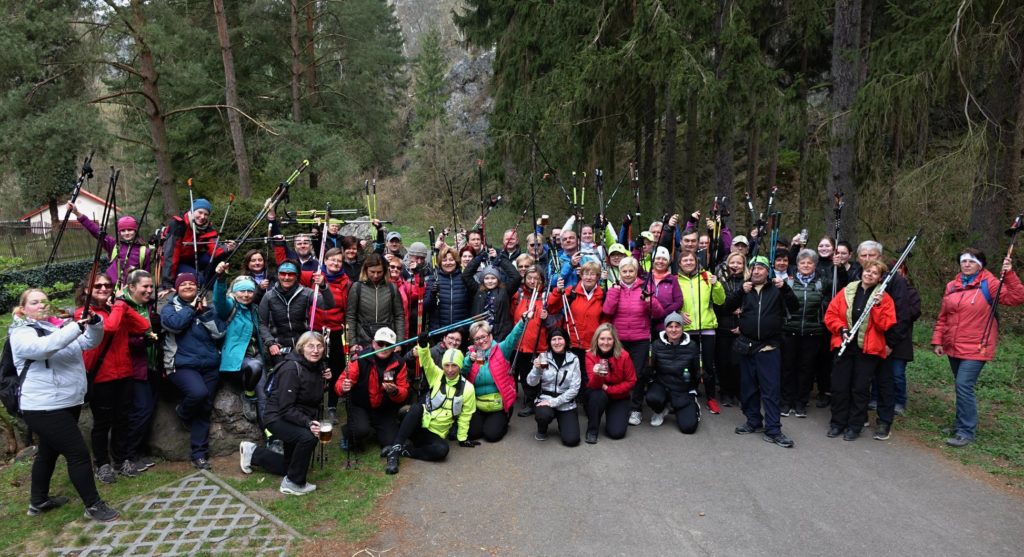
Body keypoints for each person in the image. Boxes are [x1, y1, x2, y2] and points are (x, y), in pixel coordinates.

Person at [10, 288, 119, 521]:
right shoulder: (21, 332)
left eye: (44, 301)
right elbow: (43, 348)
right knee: (78, 453)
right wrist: (74, 327)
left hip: (67, 400)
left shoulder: (57, 326)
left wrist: (95, 323)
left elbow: (89, 342)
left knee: (48, 452)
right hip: (42, 406)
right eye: (34, 302)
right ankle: (93, 505)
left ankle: (38, 501)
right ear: (23, 309)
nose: (41, 305)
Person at [932, 249, 1024, 447]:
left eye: (971, 261)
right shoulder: (952, 286)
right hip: (953, 345)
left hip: (977, 346)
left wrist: (1009, 274)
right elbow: (943, 317)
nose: (966, 264)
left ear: (980, 264)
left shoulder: (989, 284)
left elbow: (1017, 297)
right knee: (960, 385)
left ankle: (966, 431)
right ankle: (959, 425)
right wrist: (938, 340)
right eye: (963, 261)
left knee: (964, 385)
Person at [74, 274, 149, 484]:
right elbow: (109, 328)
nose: (103, 288)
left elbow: (143, 325)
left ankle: (121, 459)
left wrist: (122, 306)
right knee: (102, 423)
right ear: (87, 290)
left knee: (122, 419)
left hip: (124, 373)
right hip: (101, 376)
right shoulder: (84, 312)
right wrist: (118, 305)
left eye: (107, 285)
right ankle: (102, 464)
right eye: (97, 285)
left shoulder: (117, 309)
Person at [239, 331, 332, 495]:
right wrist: (308, 423)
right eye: (310, 346)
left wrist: (324, 382)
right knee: (308, 437)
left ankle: (252, 453)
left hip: (295, 415)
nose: (315, 350)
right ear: (301, 348)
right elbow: (286, 408)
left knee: (290, 465)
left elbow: (310, 395)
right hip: (277, 417)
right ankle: (293, 483)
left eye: (319, 346)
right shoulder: (291, 368)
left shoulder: (316, 367)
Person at [721, 255, 798, 448]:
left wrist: (786, 288)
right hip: (747, 346)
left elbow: (794, 306)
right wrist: (739, 291)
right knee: (748, 389)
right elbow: (726, 307)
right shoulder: (745, 290)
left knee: (770, 390)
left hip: (769, 347)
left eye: (761, 268)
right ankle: (753, 421)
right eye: (754, 268)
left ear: (767, 271)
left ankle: (773, 429)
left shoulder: (777, 289)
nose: (756, 271)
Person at [382, 332, 478, 475]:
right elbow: (426, 361)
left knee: (442, 450)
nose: (450, 370)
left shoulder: (468, 389)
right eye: (447, 365)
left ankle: (405, 451)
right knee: (415, 408)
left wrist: (462, 438)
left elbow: (465, 415)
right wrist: (423, 345)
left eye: (454, 366)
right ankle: (394, 453)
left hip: (434, 434)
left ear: (460, 366)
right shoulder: (437, 375)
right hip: (419, 423)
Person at [824, 260, 897, 441]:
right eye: (868, 271)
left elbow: (885, 325)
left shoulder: (884, 298)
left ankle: (854, 426)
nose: (869, 274)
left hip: (867, 350)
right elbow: (831, 315)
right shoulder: (847, 290)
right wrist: (841, 329)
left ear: (880, 278)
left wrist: (878, 306)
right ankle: (837, 423)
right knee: (840, 386)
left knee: (860, 389)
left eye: (875, 273)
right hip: (845, 345)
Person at [161, 272, 226, 470]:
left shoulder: (207, 309)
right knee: (198, 393)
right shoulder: (169, 309)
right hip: (181, 365)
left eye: (192, 283)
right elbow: (176, 325)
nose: (188, 286)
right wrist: (191, 309)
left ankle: (199, 454)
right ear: (177, 288)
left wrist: (204, 313)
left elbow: (220, 332)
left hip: (209, 364)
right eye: (184, 284)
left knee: (205, 408)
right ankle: (183, 412)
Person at [603, 256, 666, 426]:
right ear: (620, 272)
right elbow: (607, 310)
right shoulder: (615, 288)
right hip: (620, 338)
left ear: (636, 271)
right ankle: (617, 403)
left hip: (640, 339)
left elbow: (658, 313)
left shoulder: (645, 287)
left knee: (637, 374)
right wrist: (615, 292)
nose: (628, 274)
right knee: (617, 371)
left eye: (631, 270)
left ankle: (635, 408)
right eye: (624, 271)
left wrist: (648, 301)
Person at [336, 327, 409, 452]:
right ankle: (350, 432)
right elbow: (340, 383)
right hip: (360, 405)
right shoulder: (359, 358)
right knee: (360, 431)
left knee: (390, 442)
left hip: (384, 408)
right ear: (374, 343)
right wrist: (343, 387)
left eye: (388, 345)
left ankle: (377, 427)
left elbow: (404, 392)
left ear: (393, 347)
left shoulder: (400, 363)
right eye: (380, 343)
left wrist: (395, 391)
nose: (383, 347)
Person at [780, 249, 831, 418]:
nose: (806, 265)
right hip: (790, 331)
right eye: (802, 263)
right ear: (798, 265)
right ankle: (787, 402)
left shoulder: (822, 283)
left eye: (809, 263)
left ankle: (801, 402)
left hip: (812, 332)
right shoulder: (788, 282)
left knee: (806, 368)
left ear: (815, 265)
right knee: (788, 368)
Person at [212, 263, 265, 422]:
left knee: (264, 395)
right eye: (242, 291)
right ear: (234, 292)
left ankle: (272, 438)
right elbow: (218, 299)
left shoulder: (253, 309)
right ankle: (248, 395)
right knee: (256, 367)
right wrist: (221, 278)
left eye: (250, 291)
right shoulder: (229, 306)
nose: (246, 295)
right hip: (238, 361)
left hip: (256, 356)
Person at [120, 270, 159, 476]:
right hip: (133, 369)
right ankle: (127, 455)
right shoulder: (122, 307)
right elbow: (120, 339)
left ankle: (137, 452)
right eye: (145, 286)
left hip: (150, 365)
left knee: (147, 410)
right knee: (140, 410)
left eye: (151, 286)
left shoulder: (148, 306)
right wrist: (141, 341)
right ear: (131, 287)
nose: (149, 290)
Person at [677, 250, 726, 414]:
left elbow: (720, 301)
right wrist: (678, 313)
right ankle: (689, 393)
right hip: (687, 329)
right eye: (685, 260)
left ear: (696, 262)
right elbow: (673, 301)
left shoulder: (706, 277)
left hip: (707, 328)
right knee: (688, 365)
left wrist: (716, 284)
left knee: (708, 366)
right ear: (679, 264)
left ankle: (711, 398)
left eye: (691, 260)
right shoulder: (676, 280)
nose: (688, 263)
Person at [258, 260, 334, 366]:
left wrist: (323, 286)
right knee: (284, 375)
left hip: (302, 344)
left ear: (296, 276)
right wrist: (270, 343)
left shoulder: (306, 293)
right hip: (279, 346)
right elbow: (261, 323)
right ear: (278, 275)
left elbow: (328, 305)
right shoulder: (269, 296)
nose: (286, 277)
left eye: (291, 274)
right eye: (283, 274)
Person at [463, 317, 526, 442]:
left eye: (483, 336)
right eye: (477, 338)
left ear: (490, 335)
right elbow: (462, 372)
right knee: (473, 433)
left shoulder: (501, 349)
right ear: (473, 341)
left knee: (491, 435)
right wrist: (469, 360)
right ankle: (486, 420)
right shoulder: (471, 354)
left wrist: (523, 321)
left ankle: (504, 418)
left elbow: (513, 337)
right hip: (478, 404)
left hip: (498, 404)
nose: (481, 341)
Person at [69, 203, 154, 288]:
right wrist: (77, 213)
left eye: (130, 230)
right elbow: (95, 231)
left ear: (135, 231)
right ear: (119, 232)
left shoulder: (144, 251)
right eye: (123, 230)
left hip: (131, 291)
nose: (127, 233)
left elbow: (146, 275)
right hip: (111, 288)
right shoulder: (113, 244)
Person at [160, 197, 233, 292]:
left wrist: (227, 248)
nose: (202, 217)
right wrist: (167, 283)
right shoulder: (178, 225)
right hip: (177, 262)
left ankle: (210, 284)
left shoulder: (207, 227)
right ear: (192, 211)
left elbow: (215, 249)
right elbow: (171, 255)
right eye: (200, 212)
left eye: (206, 214)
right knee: (199, 281)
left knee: (216, 256)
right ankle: (191, 280)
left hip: (193, 258)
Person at [582, 323, 637, 443]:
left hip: (619, 396)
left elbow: (631, 381)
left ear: (614, 340)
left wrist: (609, 389)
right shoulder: (590, 355)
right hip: (599, 394)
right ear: (596, 339)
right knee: (596, 396)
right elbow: (592, 385)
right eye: (602, 338)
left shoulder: (624, 355)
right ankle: (592, 430)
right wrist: (597, 375)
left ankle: (619, 413)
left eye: (609, 339)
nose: (605, 342)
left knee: (616, 433)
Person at [646, 313, 701, 433]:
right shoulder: (656, 345)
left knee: (688, 428)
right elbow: (651, 369)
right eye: (670, 326)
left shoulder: (692, 346)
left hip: (682, 388)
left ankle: (690, 405)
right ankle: (660, 410)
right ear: (665, 328)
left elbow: (697, 370)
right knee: (652, 397)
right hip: (663, 385)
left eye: (677, 326)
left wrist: (696, 383)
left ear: (682, 328)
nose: (674, 330)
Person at [527, 328, 581, 446]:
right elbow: (531, 382)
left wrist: (553, 402)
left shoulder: (574, 359)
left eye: (560, 339)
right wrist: (536, 369)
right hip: (545, 399)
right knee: (543, 414)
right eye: (553, 339)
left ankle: (564, 422)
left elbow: (575, 388)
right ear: (549, 342)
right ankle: (542, 428)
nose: (557, 342)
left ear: (565, 340)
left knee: (572, 440)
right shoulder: (543, 357)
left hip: (565, 402)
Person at [346, 254, 405, 352]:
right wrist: (352, 343)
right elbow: (351, 316)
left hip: (387, 340)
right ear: (365, 270)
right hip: (363, 341)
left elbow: (399, 315)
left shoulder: (392, 288)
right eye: (372, 272)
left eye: (379, 272)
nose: (376, 275)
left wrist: (399, 343)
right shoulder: (357, 287)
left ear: (385, 271)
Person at [511, 265, 549, 417]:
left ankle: (534, 401)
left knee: (536, 374)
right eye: (529, 278)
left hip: (538, 344)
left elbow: (556, 319)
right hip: (520, 343)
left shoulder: (546, 296)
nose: (532, 281)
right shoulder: (518, 295)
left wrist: (547, 318)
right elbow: (512, 315)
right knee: (524, 374)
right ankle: (528, 400)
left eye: (536, 279)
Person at [714, 252, 747, 408]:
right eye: (732, 262)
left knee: (738, 363)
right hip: (724, 325)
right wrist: (731, 308)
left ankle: (739, 392)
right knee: (723, 362)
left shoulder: (748, 282)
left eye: (739, 263)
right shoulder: (721, 281)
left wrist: (743, 319)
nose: (735, 266)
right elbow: (718, 304)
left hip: (742, 328)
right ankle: (725, 392)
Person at [465, 248, 520, 341]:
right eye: (486, 278)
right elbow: (466, 275)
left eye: (493, 278)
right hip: (480, 334)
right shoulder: (477, 290)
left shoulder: (505, 290)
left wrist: (500, 260)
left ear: (498, 279)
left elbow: (516, 276)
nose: (490, 281)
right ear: (482, 280)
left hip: (500, 335)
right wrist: (478, 258)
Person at [424, 246, 473, 331]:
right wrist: (432, 294)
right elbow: (426, 307)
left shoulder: (464, 278)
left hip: (460, 331)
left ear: (456, 261)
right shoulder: (434, 279)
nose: (448, 263)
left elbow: (471, 305)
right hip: (439, 331)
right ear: (440, 262)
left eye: (451, 260)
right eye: (444, 260)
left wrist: (466, 328)